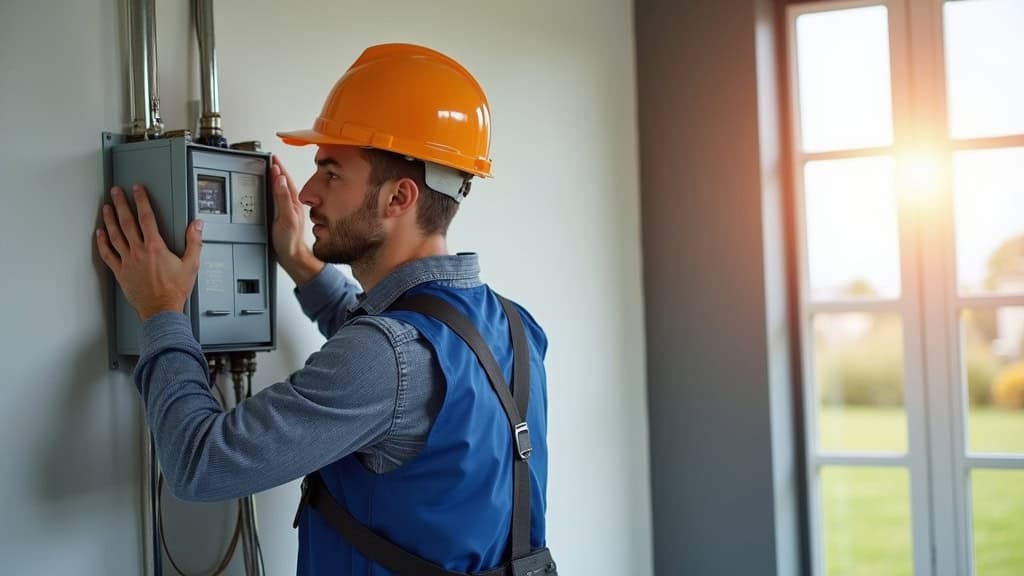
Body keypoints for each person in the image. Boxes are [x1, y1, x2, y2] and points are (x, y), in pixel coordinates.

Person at [95, 43, 555, 575]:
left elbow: (200, 464)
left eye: (332, 173)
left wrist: (159, 310)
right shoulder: (515, 327)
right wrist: (299, 262)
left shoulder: (386, 358)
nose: (308, 192)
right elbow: (402, 368)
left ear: (398, 198)